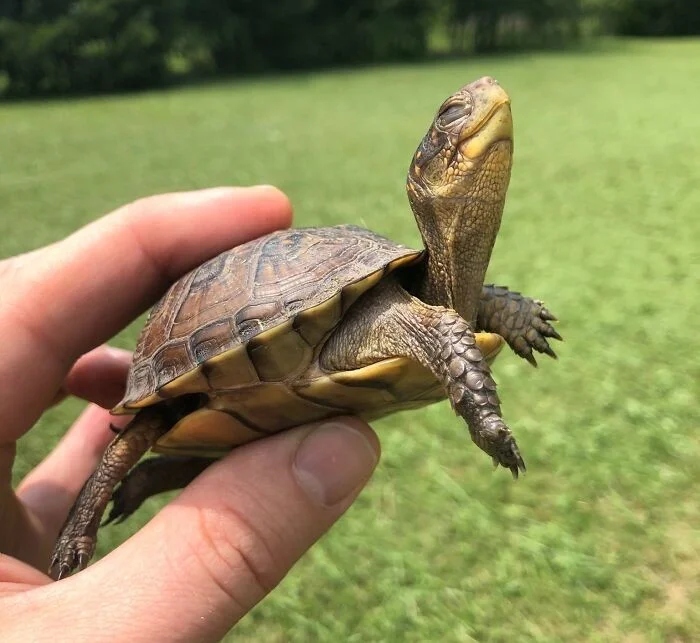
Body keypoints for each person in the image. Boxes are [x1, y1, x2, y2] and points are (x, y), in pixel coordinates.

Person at [0, 186, 380, 640]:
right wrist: (77, 532)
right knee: (137, 438)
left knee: (201, 443)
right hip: (215, 371)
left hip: (286, 380)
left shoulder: (401, 304)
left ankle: (154, 476)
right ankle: (80, 528)